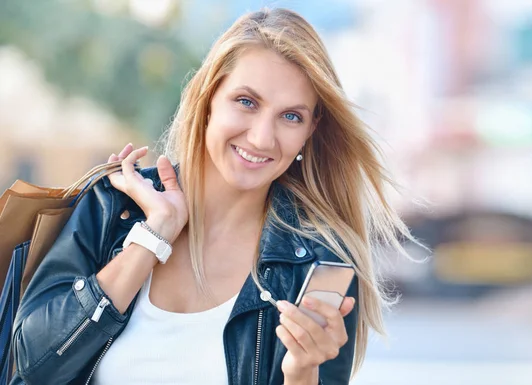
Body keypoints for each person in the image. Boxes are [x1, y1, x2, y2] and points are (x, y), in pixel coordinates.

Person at [10, 8, 411, 385]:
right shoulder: (114, 206)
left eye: (291, 116)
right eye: (246, 102)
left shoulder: (316, 263)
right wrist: (153, 235)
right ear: (208, 100)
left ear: (310, 130)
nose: (261, 137)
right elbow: (35, 364)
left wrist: (303, 371)